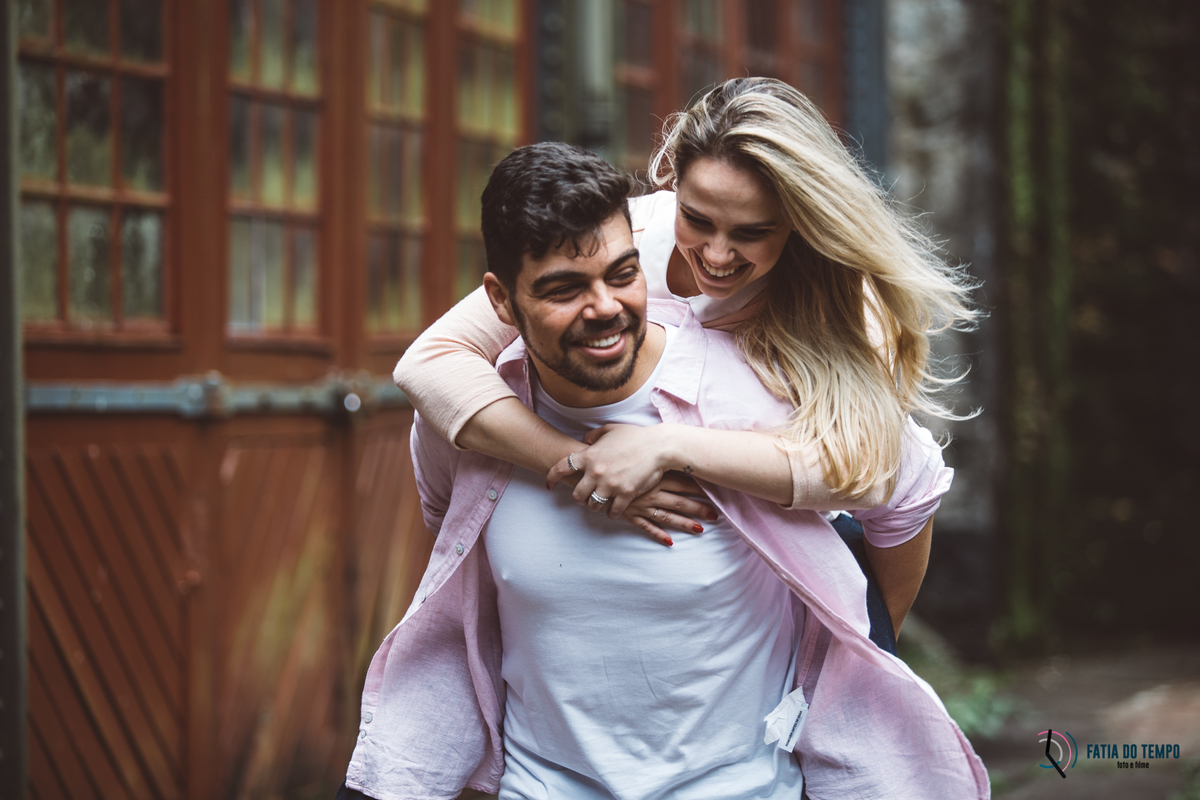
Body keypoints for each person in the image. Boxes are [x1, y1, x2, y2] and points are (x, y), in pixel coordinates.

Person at [339, 143, 986, 800]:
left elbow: (899, 485)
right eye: (564, 288)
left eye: (622, 275)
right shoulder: (473, 419)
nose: (604, 307)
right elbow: (463, 573)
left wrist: (859, 655)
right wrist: (580, 467)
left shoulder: (761, 384)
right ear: (502, 302)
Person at [393, 77, 977, 639]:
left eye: (752, 232)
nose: (717, 255)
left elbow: (870, 470)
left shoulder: (841, 303)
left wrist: (667, 448)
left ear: (797, 222)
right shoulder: (625, 240)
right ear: (672, 180)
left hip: (802, 561)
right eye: (697, 219)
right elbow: (432, 362)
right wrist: (583, 464)